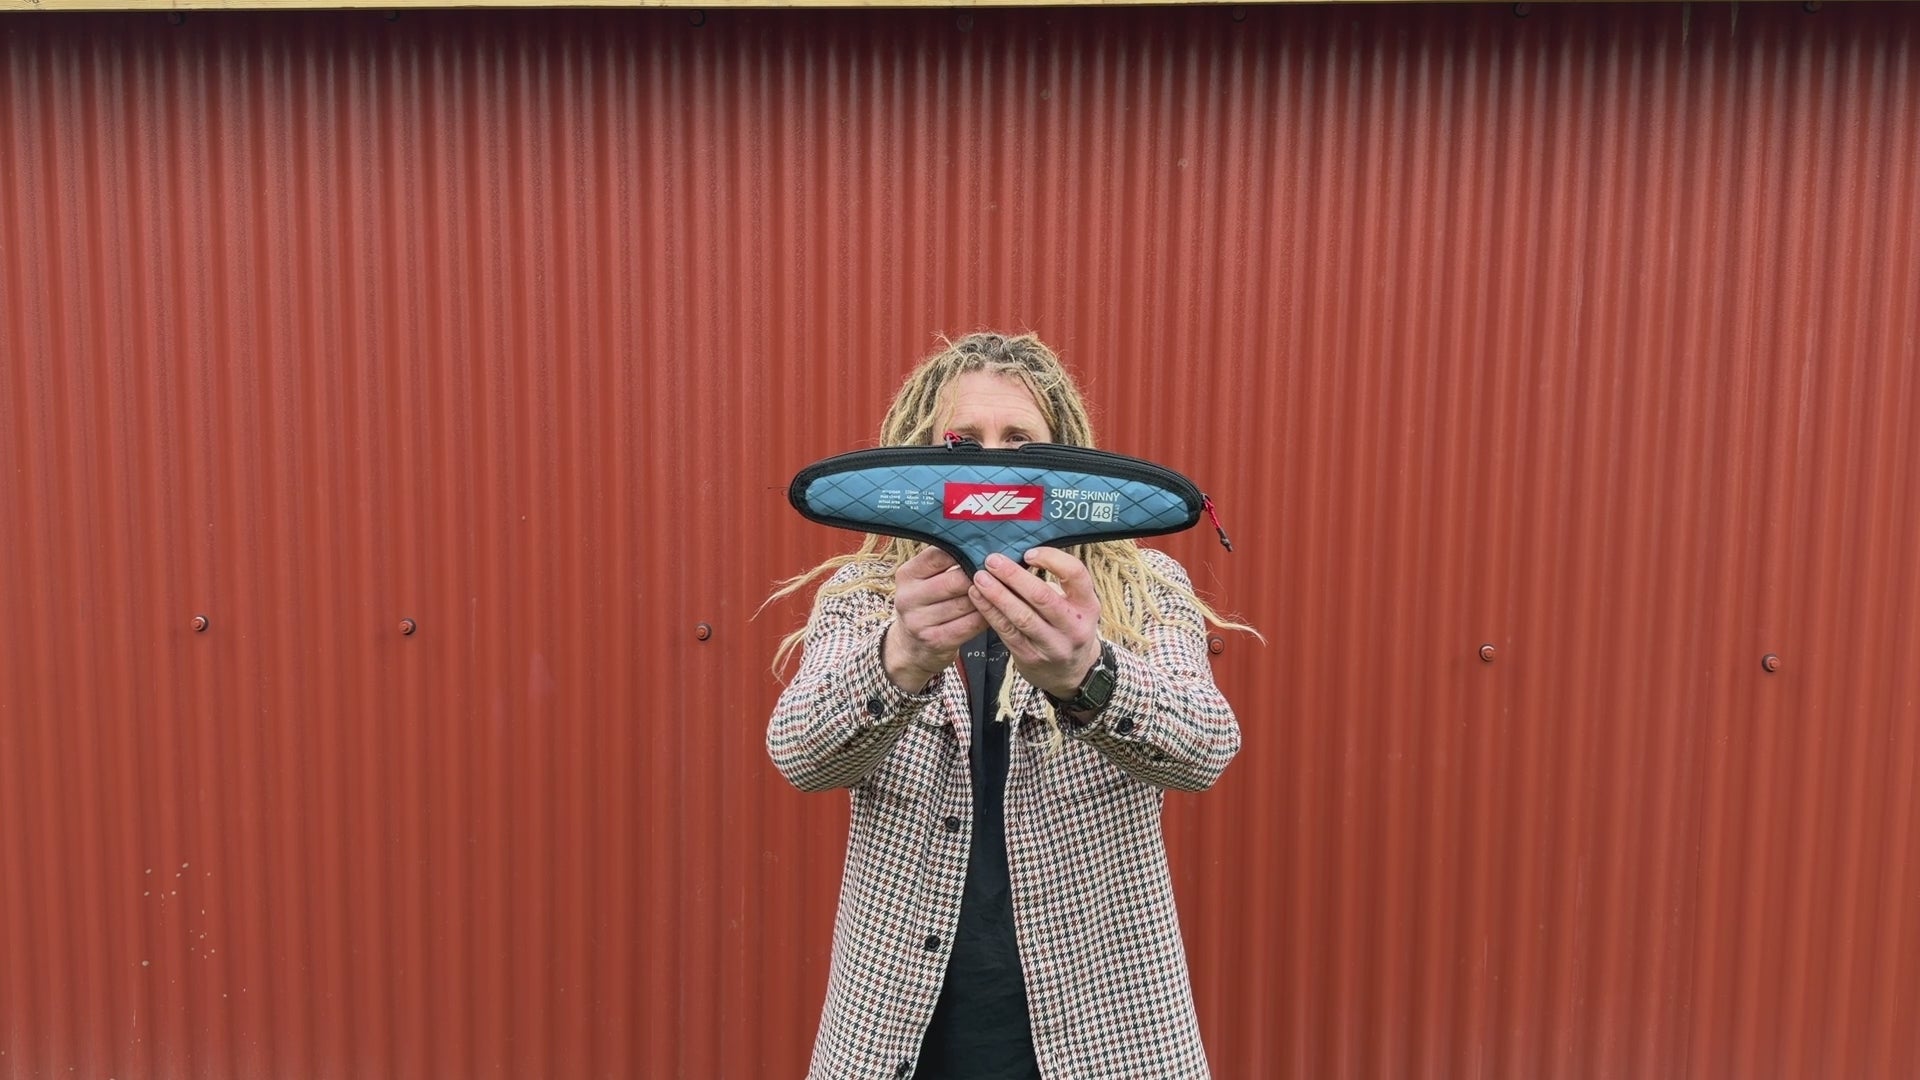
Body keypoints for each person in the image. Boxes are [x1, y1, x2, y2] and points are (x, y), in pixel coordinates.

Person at [766, 332, 1247, 1079]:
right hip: (897, 1032)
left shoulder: (1141, 586)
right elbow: (799, 755)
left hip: (1106, 1031)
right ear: (920, 453)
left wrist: (1088, 673)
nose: (990, 463)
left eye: (1018, 439)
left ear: (1064, 453)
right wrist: (901, 657)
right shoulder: (868, 597)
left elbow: (1206, 749)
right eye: (962, 440)